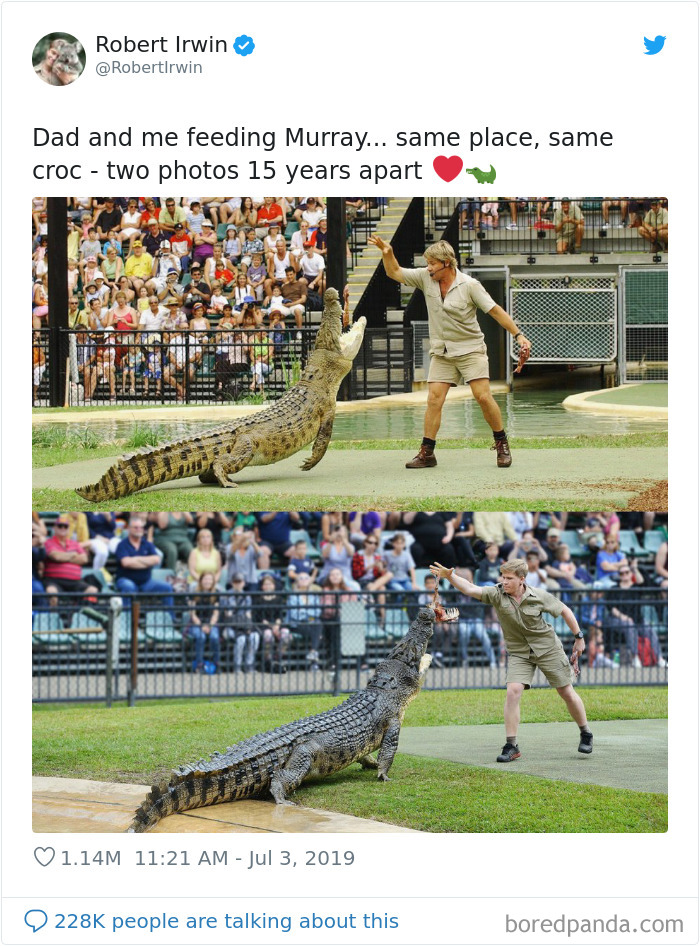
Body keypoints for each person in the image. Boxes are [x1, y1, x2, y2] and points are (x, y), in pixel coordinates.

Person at [369, 235, 531, 469]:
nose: (428, 267)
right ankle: (427, 454)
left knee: (483, 396)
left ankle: (501, 443)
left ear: (446, 263)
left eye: (433, 263)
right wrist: (388, 253)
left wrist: (519, 335)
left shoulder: (470, 285)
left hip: (470, 349)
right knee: (434, 399)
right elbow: (394, 272)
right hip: (442, 351)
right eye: (428, 263)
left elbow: (495, 311)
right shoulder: (426, 278)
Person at [430, 558, 592, 760]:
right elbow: (471, 589)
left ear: (521, 580)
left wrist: (579, 638)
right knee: (513, 691)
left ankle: (585, 733)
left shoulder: (539, 596)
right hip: (519, 651)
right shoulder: (497, 594)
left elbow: (565, 611)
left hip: (547, 647)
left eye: (509, 578)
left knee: (566, 691)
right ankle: (511, 745)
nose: (504, 581)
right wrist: (450, 576)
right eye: (503, 577)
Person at [186, 573, 221, 673]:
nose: (207, 582)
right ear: (201, 581)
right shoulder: (194, 593)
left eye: (210, 579)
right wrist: (201, 625)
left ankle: (216, 663)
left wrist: (210, 625)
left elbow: (216, 613)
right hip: (196, 623)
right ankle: (199, 664)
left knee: (214, 637)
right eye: (205, 579)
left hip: (211, 623)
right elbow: (192, 614)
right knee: (201, 637)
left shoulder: (216, 593)